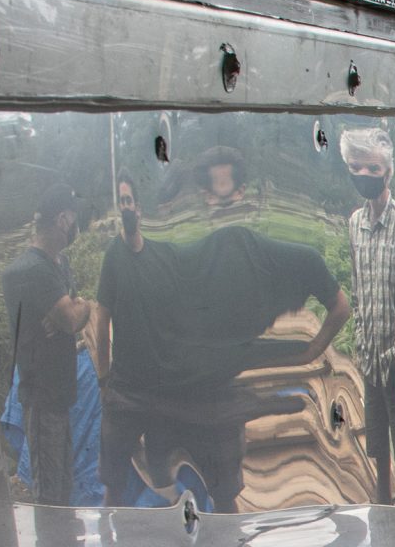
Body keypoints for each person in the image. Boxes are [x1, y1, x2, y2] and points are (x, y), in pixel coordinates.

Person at [91, 172, 350, 511]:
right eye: (120, 201)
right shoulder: (230, 253)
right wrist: (104, 379)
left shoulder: (280, 258)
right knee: (131, 480)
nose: (126, 208)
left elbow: (340, 308)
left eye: (129, 201)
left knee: (220, 488)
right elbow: (102, 317)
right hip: (153, 388)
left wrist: (313, 350)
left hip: (200, 388)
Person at [2, 183, 91, 504]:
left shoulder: (58, 264)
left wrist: (69, 310)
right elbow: (72, 318)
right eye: (73, 219)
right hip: (41, 397)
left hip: (60, 395)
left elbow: (68, 312)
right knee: (51, 493)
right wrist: (84, 308)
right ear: (62, 220)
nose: (75, 226)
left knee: (63, 486)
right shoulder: (31, 270)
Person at [341, 127, 395, 504]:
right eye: (356, 168)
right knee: (378, 453)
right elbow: (357, 287)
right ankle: (384, 521)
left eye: (371, 169)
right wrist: (357, 345)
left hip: (393, 358)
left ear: (386, 172)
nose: (364, 177)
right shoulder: (355, 222)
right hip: (369, 357)